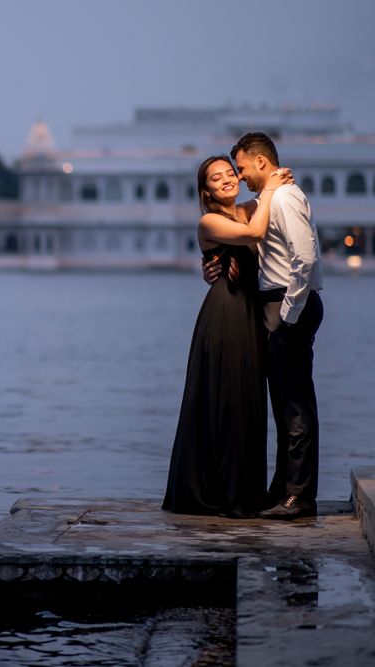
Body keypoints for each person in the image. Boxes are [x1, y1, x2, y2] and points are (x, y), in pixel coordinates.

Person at [163, 155, 293, 518]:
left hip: (249, 313)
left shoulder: (247, 209)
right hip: (225, 315)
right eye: (216, 178)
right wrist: (269, 189)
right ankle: (221, 493)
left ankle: (247, 490)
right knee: (225, 400)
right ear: (206, 191)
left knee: (247, 400)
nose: (226, 180)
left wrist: (276, 181)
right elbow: (254, 235)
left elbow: (267, 196)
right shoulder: (209, 221)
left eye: (230, 173)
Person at [203, 132, 324, 520]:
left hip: (287, 306)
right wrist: (214, 267)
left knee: (295, 406)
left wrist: (288, 316)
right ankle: (283, 489)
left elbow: (305, 260)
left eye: (238, 168)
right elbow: (245, 238)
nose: (237, 177)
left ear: (260, 162)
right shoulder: (264, 200)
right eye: (224, 173)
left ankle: (299, 496)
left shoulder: (284, 196)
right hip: (272, 306)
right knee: (283, 406)